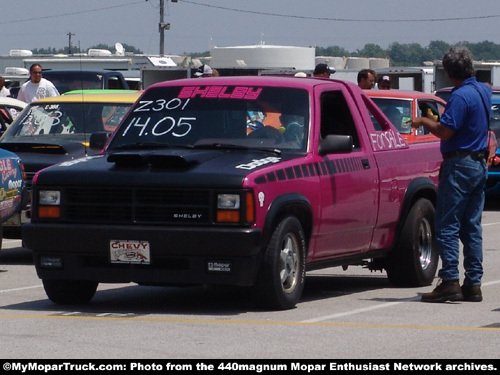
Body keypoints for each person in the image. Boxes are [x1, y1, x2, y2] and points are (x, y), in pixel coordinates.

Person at [409, 46, 490, 303]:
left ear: (450, 72)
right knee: (472, 227)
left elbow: (446, 131)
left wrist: (424, 122)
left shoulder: (460, 96)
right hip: (478, 164)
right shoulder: (484, 91)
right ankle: (473, 283)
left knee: (447, 225)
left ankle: (449, 280)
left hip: (459, 163)